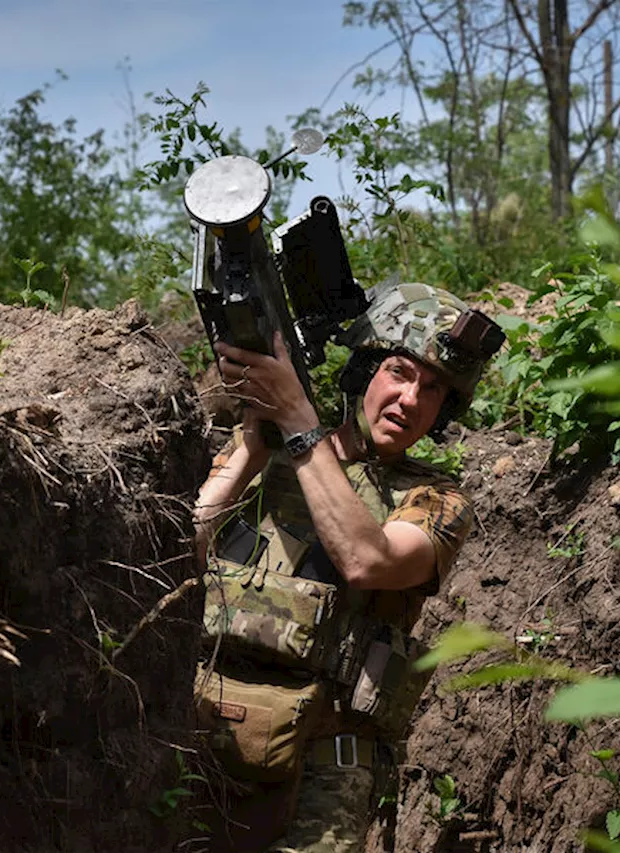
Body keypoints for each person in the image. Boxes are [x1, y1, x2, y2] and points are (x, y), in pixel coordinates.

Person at [192, 282, 503, 852]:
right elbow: (182, 550)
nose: (411, 398)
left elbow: (367, 560)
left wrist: (298, 422)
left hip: (327, 763)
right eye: (398, 372)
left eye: (432, 389)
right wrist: (255, 447)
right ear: (362, 372)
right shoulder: (269, 453)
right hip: (210, 726)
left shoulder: (438, 500)